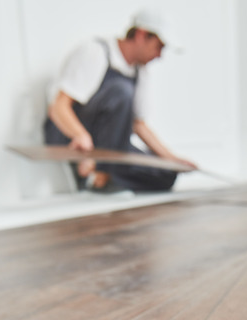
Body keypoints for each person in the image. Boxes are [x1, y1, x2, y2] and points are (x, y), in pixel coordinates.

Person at [44, 9, 197, 192]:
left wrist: (171, 159)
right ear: (141, 35)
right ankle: (101, 176)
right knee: (121, 92)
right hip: (69, 135)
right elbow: (58, 107)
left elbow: (138, 124)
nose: (159, 55)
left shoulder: (140, 71)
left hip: (113, 144)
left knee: (165, 174)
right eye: (159, 46)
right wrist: (80, 136)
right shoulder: (95, 52)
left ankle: (102, 175)